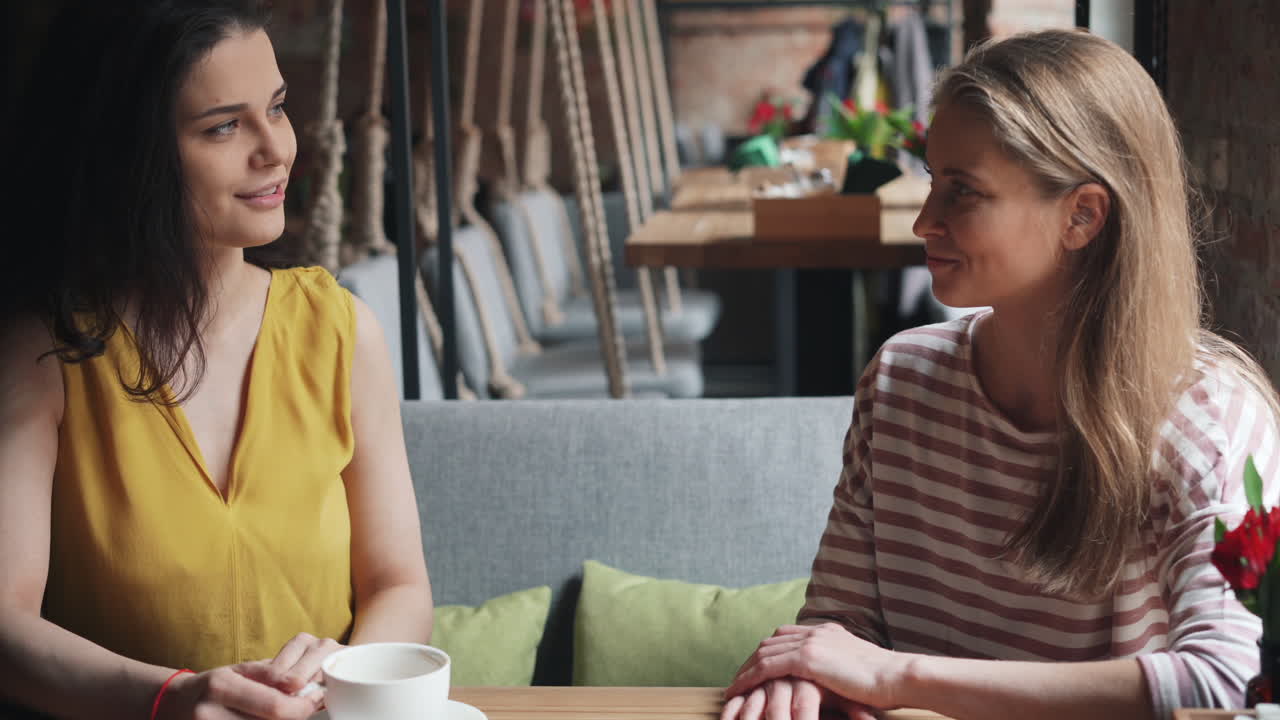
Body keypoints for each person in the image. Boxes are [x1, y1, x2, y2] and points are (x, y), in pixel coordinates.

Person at [722, 28, 1280, 720]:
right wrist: (805, 675)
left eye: (963, 191)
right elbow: (840, 629)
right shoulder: (900, 379)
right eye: (934, 181)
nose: (925, 220)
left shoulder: (1212, 417)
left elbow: (1233, 682)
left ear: (1081, 215)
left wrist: (896, 680)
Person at [0, 2, 432, 718]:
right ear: (128, 152)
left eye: (278, 108)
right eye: (224, 126)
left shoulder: (340, 330)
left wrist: (338, 677)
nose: (277, 149)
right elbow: (5, 623)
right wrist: (170, 697)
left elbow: (399, 584)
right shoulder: (46, 350)